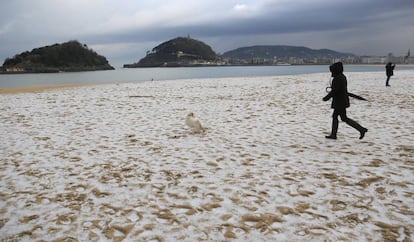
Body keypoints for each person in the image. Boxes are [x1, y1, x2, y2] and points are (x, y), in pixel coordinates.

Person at [323, 62, 368, 140]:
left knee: (339, 117)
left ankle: (361, 129)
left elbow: (335, 91)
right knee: (342, 118)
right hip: (342, 101)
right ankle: (361, 129)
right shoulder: (341, 76)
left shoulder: (337, 78)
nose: (331, 72)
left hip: (339, 102)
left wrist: (326, 98)